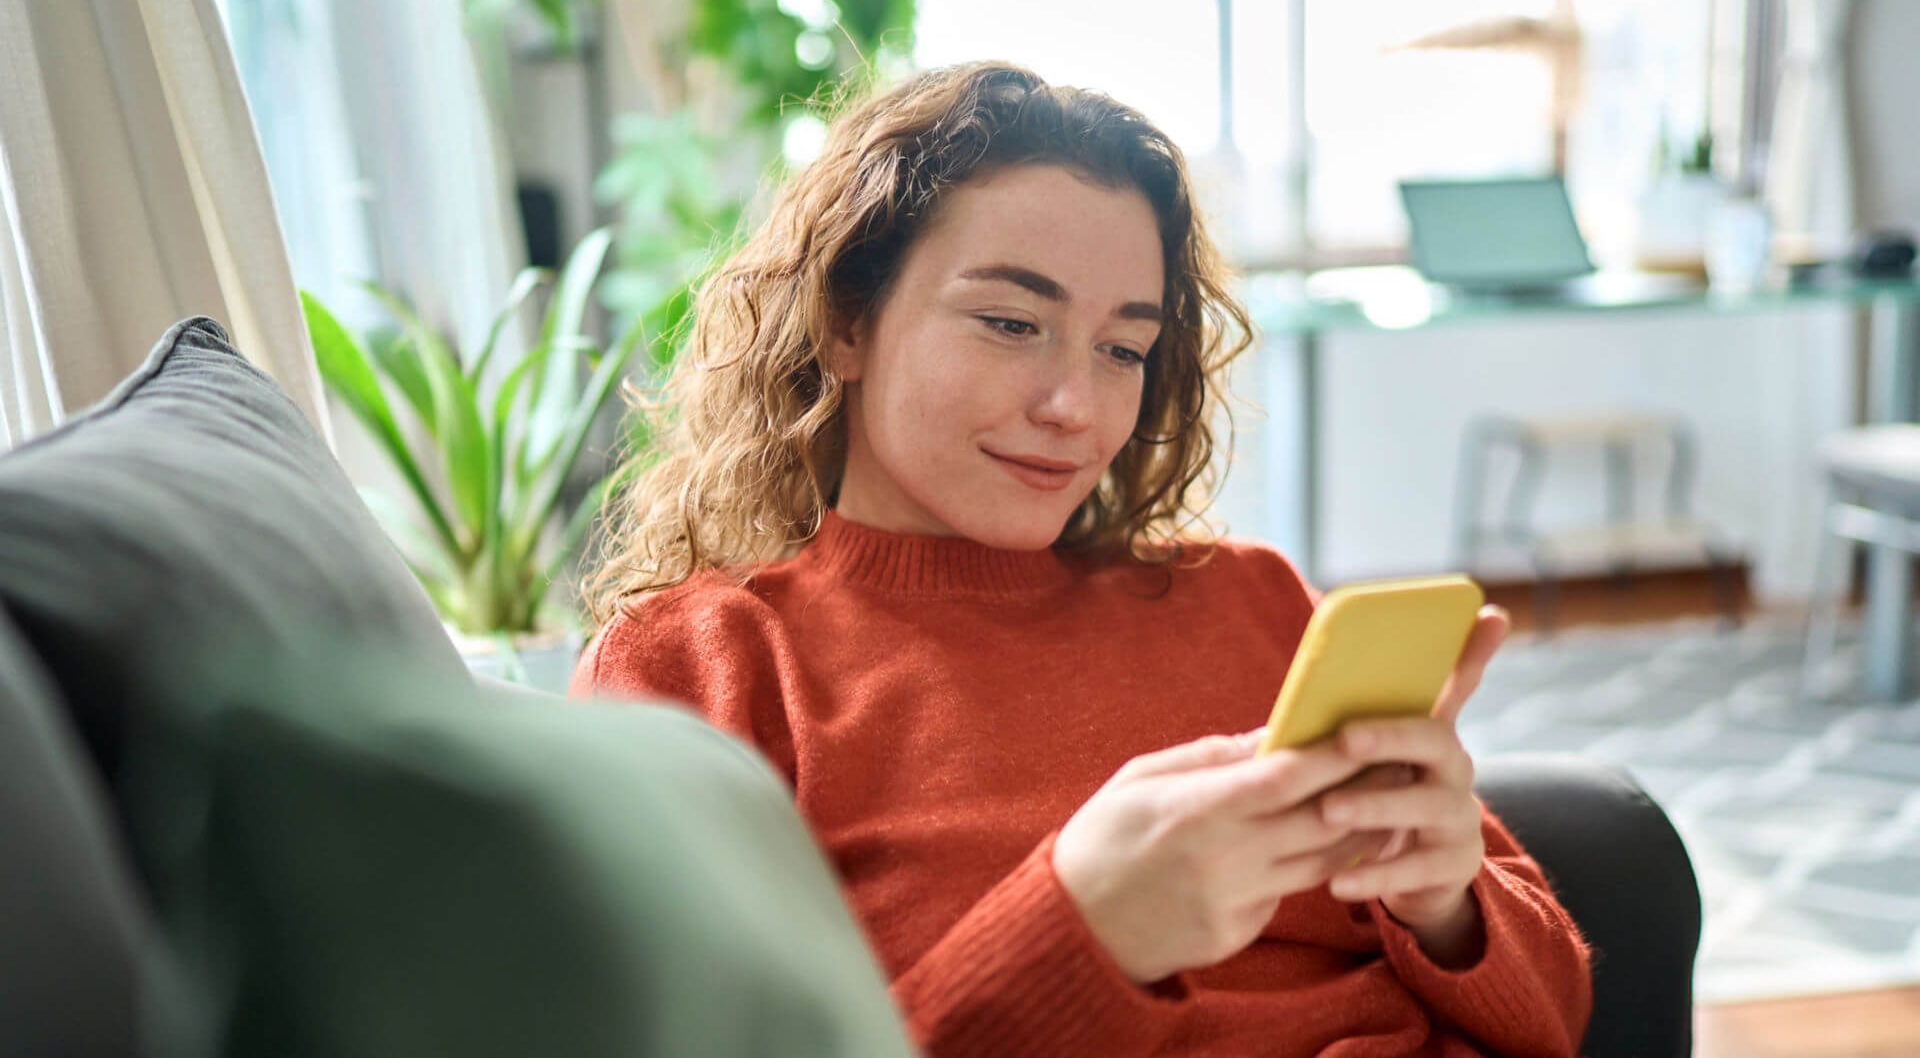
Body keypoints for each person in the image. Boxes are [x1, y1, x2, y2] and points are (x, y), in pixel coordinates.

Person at [571, 61, 1592, 1057]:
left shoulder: (1251, 598)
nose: (1074, 408)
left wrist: (1448, 903)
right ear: (846, 319)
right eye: (1013, 324)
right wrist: (1080, 934)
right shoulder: (705, 669)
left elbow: (1561, 1009)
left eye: (1123, 351)